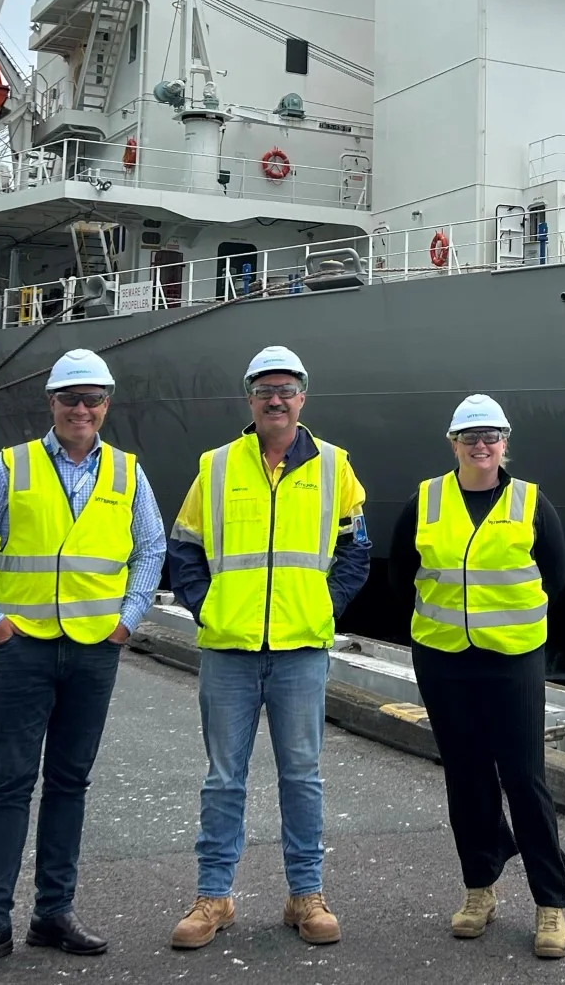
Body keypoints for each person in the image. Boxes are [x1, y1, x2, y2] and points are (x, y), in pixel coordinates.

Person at [0, 348, 167, 980]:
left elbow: (151, 546)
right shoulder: (10, 468)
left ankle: (53, 912)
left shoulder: (127, 473)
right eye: (71, 399)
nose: (82, 409)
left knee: (70, 782)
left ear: (106, 405)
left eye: (93, 399)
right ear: (52, 405)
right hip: (23, 649)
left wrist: (128, 620)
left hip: (95, 650)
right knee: (10, 782)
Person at [165, 344, 371, 950]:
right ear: (249, 398)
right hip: (229, 647)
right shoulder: (217, 466)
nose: (275, 400)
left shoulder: (336, 467)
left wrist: (322, 607)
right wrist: (209, 607)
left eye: (286, 389)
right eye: (264, 390)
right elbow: (185, 545)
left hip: (300, 648)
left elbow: (356, 548)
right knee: (223, 778)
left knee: (302, 777)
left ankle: (306, 895)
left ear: (303, 397)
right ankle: (213, 897)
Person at [388, 394, 565, 960]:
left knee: (524, 778)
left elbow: (555, 576)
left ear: (505, 442)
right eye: (470, 437)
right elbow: (401, 573)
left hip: (512, 658)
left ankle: (550, 904)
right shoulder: (426, 499)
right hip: (444, 656)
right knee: (466, 778)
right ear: (454, 444)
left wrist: (507, 626)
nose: (481, 445)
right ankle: (480, 890)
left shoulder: (531, 503)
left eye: (491, 436)